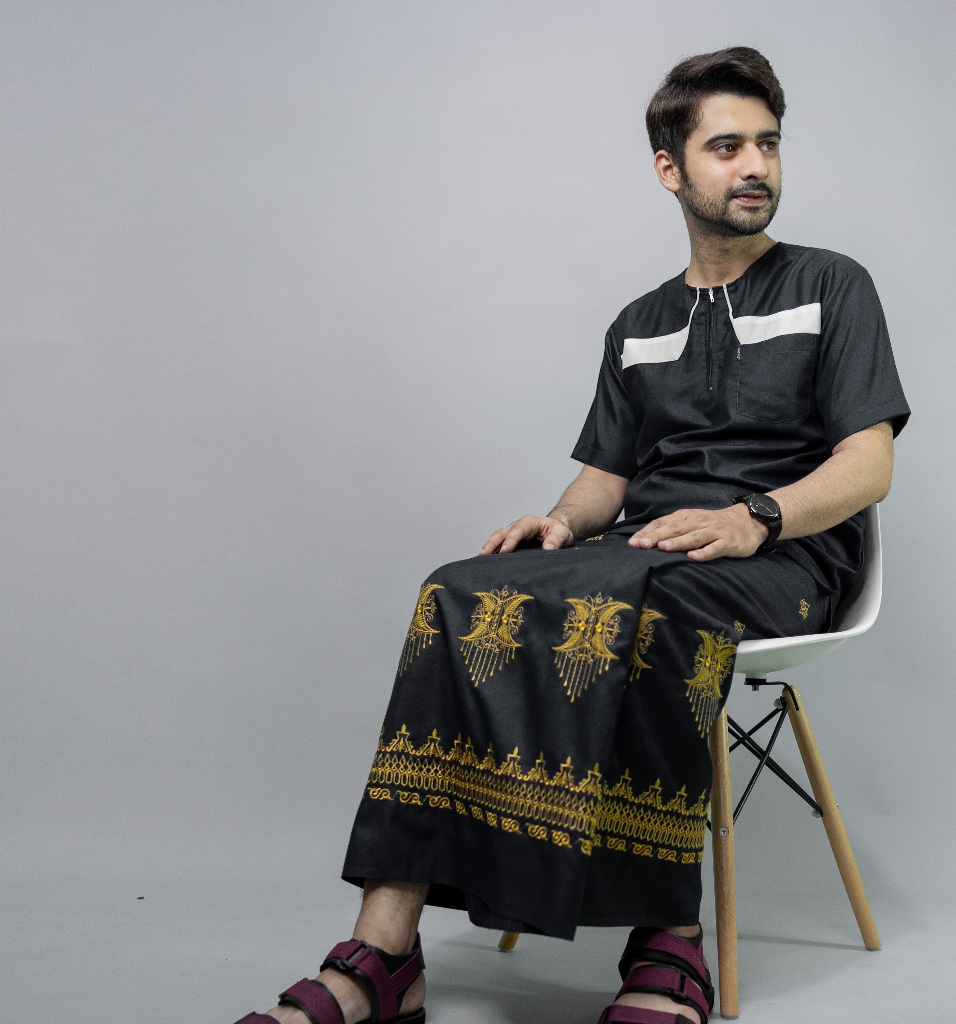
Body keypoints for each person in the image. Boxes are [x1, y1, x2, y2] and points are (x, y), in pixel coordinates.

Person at [233, 46, 910, 1024]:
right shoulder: (637, 322)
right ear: (669, 168)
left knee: (658, 603)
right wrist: (558, 520)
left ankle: (668, 943)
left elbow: (868, 462)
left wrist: (752, 517)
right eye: (726, 147)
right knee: (459, 588)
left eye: (767, 144)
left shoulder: (830, 285)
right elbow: (607, 479)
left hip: (786, 554)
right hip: (649, 546)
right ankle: (383, 953)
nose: (755, 166)